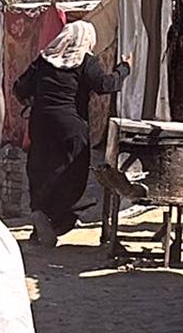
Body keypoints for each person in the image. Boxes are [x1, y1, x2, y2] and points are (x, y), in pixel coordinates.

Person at [12, 21, 130, 247]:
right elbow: (106, 85)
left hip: (41, 123)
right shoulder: (85, 62)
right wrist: (124, 68)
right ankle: (56, 218)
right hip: (71, 127)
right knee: (70, 172)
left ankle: (39, 214)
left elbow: (19, 87)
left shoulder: (44, 60)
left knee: (40, 168)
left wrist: (33, 99)